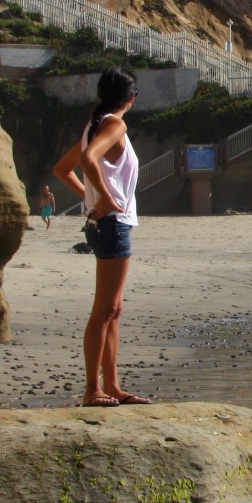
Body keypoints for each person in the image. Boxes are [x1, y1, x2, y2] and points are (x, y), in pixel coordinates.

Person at [53, 67, 150, 408]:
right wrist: (105, 198)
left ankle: (112, 385)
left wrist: (91, 196)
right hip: (112, 225)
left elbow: (63, 169)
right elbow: (86, 159)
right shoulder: (114, 124)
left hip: (107, 225)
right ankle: (93, 388)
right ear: (132, 99)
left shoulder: (95, 124)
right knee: (104, 309)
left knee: (114, 309)